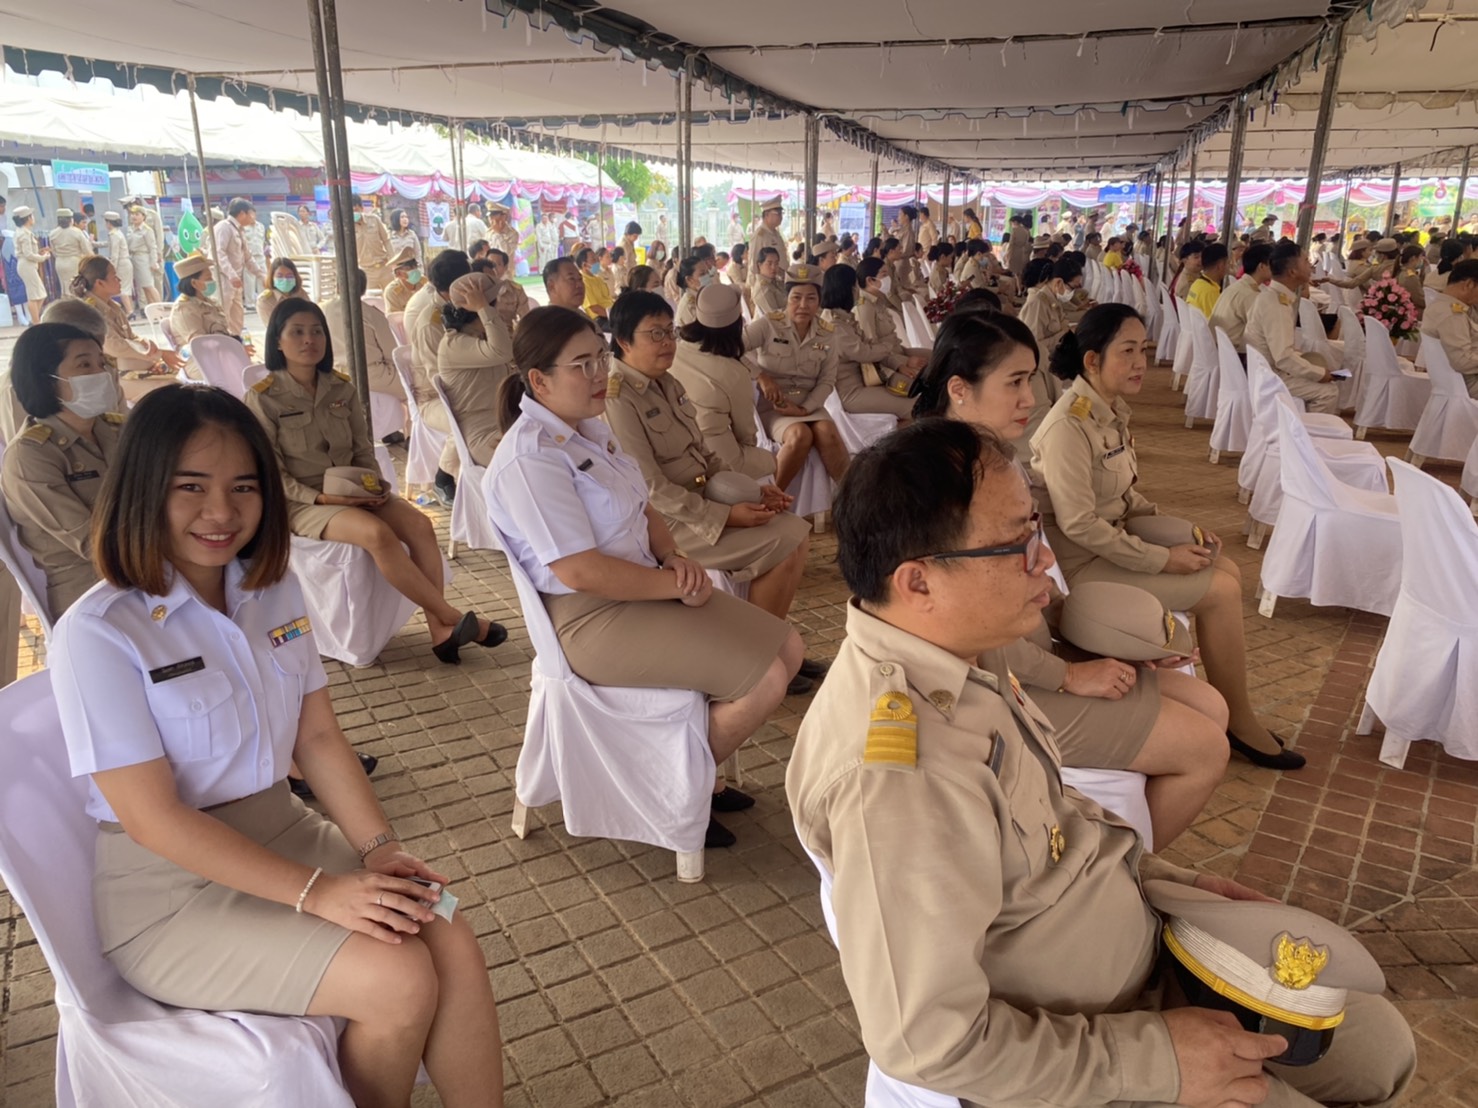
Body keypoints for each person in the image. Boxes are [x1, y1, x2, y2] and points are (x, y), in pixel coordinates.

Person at [788, 416, 1414, 1107]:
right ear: (918, 583)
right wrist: (1156, 1061)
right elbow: (928, 1041)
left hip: (1134, 948)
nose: (1042, 561)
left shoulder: (965, 655)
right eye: (1014, 543)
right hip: (1081, 1043)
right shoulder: (899, 775)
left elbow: (1056, 825)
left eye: (1035, 530)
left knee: (1378, 1047)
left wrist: (1175, 879)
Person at [50, 383, 505, 1108]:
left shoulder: (271, 588)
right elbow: (152, 819)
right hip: (171, 893)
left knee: (446, 928)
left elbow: (318, 737)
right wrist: (321, 893)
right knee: (398, 977)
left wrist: (380, 847)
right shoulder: (99, 631)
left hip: (285, 831)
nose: (221, 512)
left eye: (243, 487)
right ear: (142, 491)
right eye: (190, 487)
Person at [907, 313, 1231, 843]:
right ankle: (1122, 880)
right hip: (985, 689)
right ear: (960, 390)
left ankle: (1121, 856)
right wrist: (1072, 676)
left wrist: (1116, 639)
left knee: (1210, 705)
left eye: (1031, 380)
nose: (1031, 398)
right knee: (1205, 749)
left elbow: (1035, 576)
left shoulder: (988, 461)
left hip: (1032, 653)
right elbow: (962, 630)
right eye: (1014, 382)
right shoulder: (943, 484)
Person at [488, 305, 804, 844]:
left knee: (790, 648)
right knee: (766, 679)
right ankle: (675, 792)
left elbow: (645, 506)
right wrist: (674, 584)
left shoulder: (589, 428)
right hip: (590, 618)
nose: (598, 375)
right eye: (580, 365)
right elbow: (581, 571)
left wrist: (673, 558)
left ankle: (691, 775)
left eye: (599, 359)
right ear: (538, 381)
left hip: (644, 586)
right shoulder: (530, 459)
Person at [1032, 304, 1303, 769]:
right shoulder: (1068, 426)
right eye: (1128, 351)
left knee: (1228, 568)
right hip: (1083, 564)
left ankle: (1226, 703)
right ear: (1092, 360)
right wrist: (1162, 559)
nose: (1141, 361)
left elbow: (1123, 494)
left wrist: (1176, 530)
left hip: (1111, 544)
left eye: (1144, 349)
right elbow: (1078, 523)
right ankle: (1239, 719)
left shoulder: (1110, 410)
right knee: (1218, 592)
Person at [244, 299, 503, 663]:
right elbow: (270, 473)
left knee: (419, 525)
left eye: (316, 331)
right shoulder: (263, 398)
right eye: (297, 332)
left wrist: (374, 487)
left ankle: (440, 631)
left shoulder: (341, 389)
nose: (309, 340)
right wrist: (324, 500)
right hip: (303, 503)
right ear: (278, 342)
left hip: (351, 491)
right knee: (378, 535)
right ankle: (453, 617)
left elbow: (363, 450)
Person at [605, 290, 817, 687]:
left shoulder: (666, 382)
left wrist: (752, 492)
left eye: (670, 332)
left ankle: (768, 647)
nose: (668, 342)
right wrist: (725, 514)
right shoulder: (619, 399)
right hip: (665, 523)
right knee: (784, 541)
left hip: (703, 500)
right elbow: (650, 488)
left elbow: (704, 453)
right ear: (623, 341)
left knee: (793, 531)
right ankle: (756, 660)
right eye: (655, 334)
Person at [0, 322, 125, 617]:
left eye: (101, 363)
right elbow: (94, 544)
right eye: (84, 365)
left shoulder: (117, 429)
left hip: (153, 567)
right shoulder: (30, 456)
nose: (101, 374)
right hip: (91, 595)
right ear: (46, 378)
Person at [747, 264, 847, 490]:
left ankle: (851, 498)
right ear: (787, 298)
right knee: (800, 434)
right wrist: (761, 376)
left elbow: (827, 381)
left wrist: (805, 409)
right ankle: (775, 498)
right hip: (775, 405)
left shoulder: (828, 334)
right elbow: (731, 349)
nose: (803, 305)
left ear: (819, 301)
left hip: (808, 403)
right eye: (796, 298)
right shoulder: (768, 325)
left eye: (811, 298)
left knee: (827, 432)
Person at [670, 284, 779, 481]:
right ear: (737, 325)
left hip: (681, 448)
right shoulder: (735, 372)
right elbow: (746, 435)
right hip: (720, 458)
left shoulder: (676, 351)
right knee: (771, 461)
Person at [405, 250, 470, 502]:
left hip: (465, 389)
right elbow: (440, 377)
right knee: (466, 419)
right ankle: (443, 476)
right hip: (435, 398)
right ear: (459, 284)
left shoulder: (462, 309)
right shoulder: (432, 321)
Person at [1245, 242, 1339, 415]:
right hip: (1271, 376)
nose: (1310, 265)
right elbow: (1283, 359)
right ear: (1292, 272)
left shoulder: (1272, 297)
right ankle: (1307, 438)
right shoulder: (1275, 304)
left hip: (1265, 370)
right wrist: (1319, 374)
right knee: (1329, 392)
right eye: (1305, 261)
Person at [435, 271, 515, 466]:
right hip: (483, 434)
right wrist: (484, 308)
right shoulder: (454, 344)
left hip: (505, 421)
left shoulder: (482, 336)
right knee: (529, 463)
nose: (501, 307)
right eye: (496, 302)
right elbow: (502, 352)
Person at [72, 254, 184, 384]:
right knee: (171, 389)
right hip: (109, 377)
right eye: (114, 276)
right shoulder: (90, 312)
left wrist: (146, 343)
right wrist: (158, 354)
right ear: (100, 283)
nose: (119, 280)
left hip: (130, 368)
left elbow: (130, 337)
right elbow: (115, 347)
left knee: (177, 382)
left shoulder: (113, 307)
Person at [820, 265, 914, 419]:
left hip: (869, 380)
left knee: (916, 388)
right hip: (852, 392)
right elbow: (865, 353)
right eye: (855, 286)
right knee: (913, 406)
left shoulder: (844, 317)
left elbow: (870, 345)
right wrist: (889, 344)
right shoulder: (834, 325)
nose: (858, 290)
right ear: (846, 289)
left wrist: (898, 365)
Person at [1421, 259, 1478, 397]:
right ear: (1469, 285)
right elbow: (1462, 361)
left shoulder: (1443, 305)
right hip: (1470, 384)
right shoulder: (1452, 315)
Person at [208, 199, 265, 337]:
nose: (253, 217)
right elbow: (218, 253)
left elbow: (247, 257)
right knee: (223, 313)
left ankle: (236, 340)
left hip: (236, 280)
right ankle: (222, 342)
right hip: (224, 278)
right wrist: (231, 274)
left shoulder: (240, 230)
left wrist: (262, 275)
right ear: (242, 213)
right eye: (251, 213)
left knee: (237, 315)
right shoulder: (223, 227)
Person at [1209, 241, 1273, 354]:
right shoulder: (1250, 295)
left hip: (1218, 349)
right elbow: (1263, 332)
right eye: (1273, 265)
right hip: (1234, 355)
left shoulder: (1238, 287)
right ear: (1262, 266)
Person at [1019, 256, 1082, 365]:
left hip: (1055, 357)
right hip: (1042, 365)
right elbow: (1034, 346)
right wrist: (1065, 334)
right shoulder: (1038, 303)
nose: (1073, 292)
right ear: (1059, 282)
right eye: (1073, 287)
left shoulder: (1052, 299)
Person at [170, 254, 234, 349]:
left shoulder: (211, 302)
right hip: (201, 359)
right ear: (194, 283)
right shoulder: (184, 309)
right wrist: (232, 348)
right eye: (208, 278)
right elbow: (200, 344)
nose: (213, 281)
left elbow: (224, 332)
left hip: (223, 351)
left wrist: (237, 343)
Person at [13, 206, 50, 323]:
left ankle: (34, 320)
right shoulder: (24, 233)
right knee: (34, 295)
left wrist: (39, 252)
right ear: (28, 218)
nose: (33, 218)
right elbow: (28, 254)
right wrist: (43, 257)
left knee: (40, 293)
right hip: (27, 265)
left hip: (28, 264)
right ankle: (35, 322)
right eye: (32, 216)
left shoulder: (23, 232)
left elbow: (28, 252)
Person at [747, 196, 787, 297]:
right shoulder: (760, 236)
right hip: (765, 286)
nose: (781, 217)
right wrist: (759, 286)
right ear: (767, 215)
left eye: (781, 213)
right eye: (778, 213)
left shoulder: (776, 233)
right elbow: (754, 263)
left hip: (777, 281)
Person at [100, 212, 136, 319]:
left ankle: (129, 312)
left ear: (108, 223)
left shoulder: (114, 235)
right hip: (125, 262)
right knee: (127, 288)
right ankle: (131, 310)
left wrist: (112, 269)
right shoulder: (117, 233)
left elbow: (114, 254)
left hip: (121, 263)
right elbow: (108, 244)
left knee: (123, 288)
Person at [353, 198, 394, 293]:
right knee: (371, 301)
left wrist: (393, 261)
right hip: (367, 271)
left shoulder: (374, 220)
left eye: (356, 209)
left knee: (392, 295)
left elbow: (386, 240)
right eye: (352, 210)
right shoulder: (347, 227)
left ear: (361, 208)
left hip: (384, 267)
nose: (354, 212)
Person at [50, 208, 92, 295]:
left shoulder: (53, 233)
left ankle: (65, 304)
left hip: (60, 263)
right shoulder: (77, 232)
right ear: (71, 220)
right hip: (74, 262)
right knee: (75, 287)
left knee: (64, 287)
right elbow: (87, 250)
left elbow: (53, 251)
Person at [125, 207, 162, 308]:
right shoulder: (130, 229)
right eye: (132, 214)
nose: (134, 217)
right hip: (134, 258)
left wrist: (153, 262)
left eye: (137, 214)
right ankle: (151, 308)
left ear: (143, 216)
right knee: (144, 287)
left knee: (149, 285)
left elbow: (152, 247)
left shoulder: (147, 230)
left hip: (143, 259)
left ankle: (160, 307)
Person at [256, 257, 309, 321]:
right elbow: (273, 327)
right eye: (280, 276)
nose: (285, 280)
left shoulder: (300, 293)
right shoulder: (265, 300)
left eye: (289, 276)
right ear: (272, 278)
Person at [1185, 241, 1228, 320]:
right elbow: (1216, 324)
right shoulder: (1210, 291)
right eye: (1227, 263)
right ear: (1220, 265)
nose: (1228, 268)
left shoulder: (1197, 283)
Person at [382, 247, 423, 314]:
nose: (414, 269)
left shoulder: (424, 283)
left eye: (415, 265)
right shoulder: (392, 292)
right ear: (398, 273)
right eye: (408, 268)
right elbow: (395, 319)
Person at [750, 247, 786, 315]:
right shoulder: (763, 289)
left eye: (776, 263)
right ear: (760, 265)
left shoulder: (775, 281)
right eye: (769, 264)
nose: (774, 267)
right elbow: (775, 316)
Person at [1396, 243, 1427, 314]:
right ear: (1413, 258)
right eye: (1421, 257)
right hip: (1415, 312)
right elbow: (1420, 300)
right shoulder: (1411, 277)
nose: (1422, 260)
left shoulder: (1403, 272)